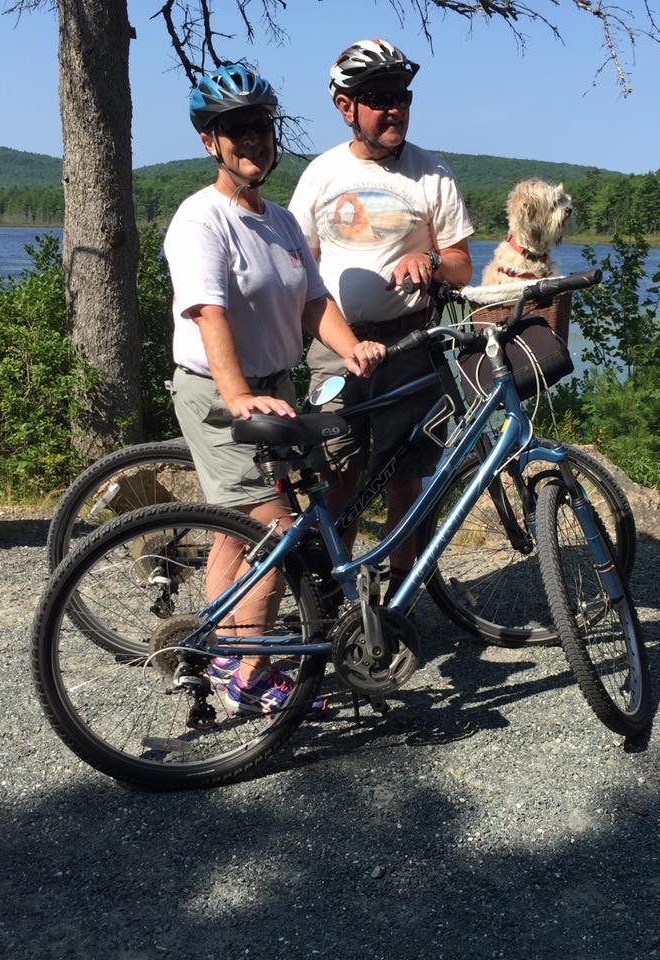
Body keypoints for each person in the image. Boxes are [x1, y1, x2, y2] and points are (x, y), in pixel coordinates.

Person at [163, 63, 385, 715]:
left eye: (260, 126)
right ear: (211, 141)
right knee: (277, 533)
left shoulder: (282, 222)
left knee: (239, 531)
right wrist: (237, 397)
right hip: (219, 394)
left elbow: (315, 301)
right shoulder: (201, 219)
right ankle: (250, 678)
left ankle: (224, 644)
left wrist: (352, 348)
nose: (252, 140)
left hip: (274, 388)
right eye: (235, 130)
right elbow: (209, 314)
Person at [289, 39, 474, 602]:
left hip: (408, 342)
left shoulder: (432, 175)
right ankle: (331, 589)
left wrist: (434, 260)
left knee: (404, 476)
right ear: (347, 107)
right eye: (379, 98)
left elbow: (464, 267)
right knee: (338, 469)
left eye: (401, 96)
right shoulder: (322, 174)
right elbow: (299, 266)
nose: (394, 108)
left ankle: (398, 596)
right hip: (335, 347)